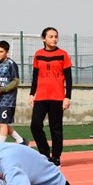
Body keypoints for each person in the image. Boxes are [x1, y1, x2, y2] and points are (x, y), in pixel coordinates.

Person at [28, 27, 72, 166]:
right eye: (51, 36)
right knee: (35, 125)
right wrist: (31, 94)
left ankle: (56, 157)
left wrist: (67, 96)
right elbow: (35, 77)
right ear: (44, 38)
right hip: (41, 97)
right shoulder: (38, 54)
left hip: (57, 97)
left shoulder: (63, 55)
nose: (54, 39)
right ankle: (45, 154)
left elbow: (69, 78)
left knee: (56, 128)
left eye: (56, 36)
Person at [0, 40, 24, 144]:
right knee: (0, 123)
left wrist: (2, 89)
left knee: (3, 124)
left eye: (1, 51)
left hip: (8, 100)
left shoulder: (11, 64)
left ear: (7, 52)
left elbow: (15, 81)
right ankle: (21, 140)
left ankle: (0, 147)